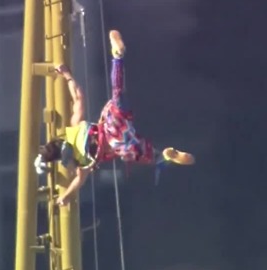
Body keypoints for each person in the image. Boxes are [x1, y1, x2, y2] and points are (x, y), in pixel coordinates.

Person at [34, 30, 195, 206]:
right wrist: (66, 74)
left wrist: (64, 197)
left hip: (118, 144)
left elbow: (78, 181)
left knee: (149, 156)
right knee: (118, 92)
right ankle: (117, 58)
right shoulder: (74, 128)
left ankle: (165, 156)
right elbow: (78, 97)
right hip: (111, 124)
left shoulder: (80, 162)